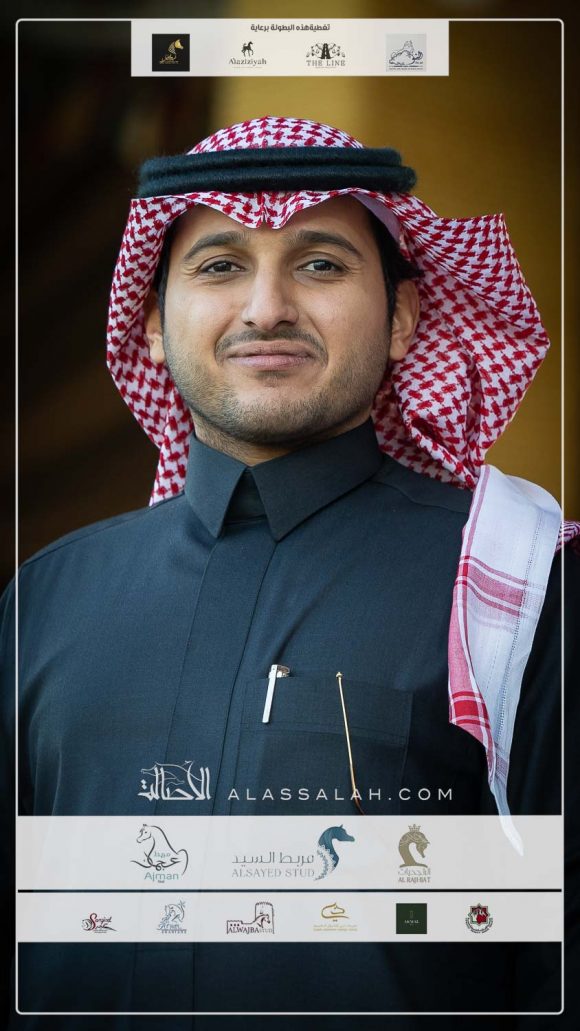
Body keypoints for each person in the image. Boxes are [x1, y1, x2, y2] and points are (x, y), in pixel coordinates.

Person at [2, 115, 578, 1028]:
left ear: (404, 319)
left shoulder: (517, 588)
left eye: (319, 263)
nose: (266, 308)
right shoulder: (45, 600)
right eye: (219, 266)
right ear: (150, 326)